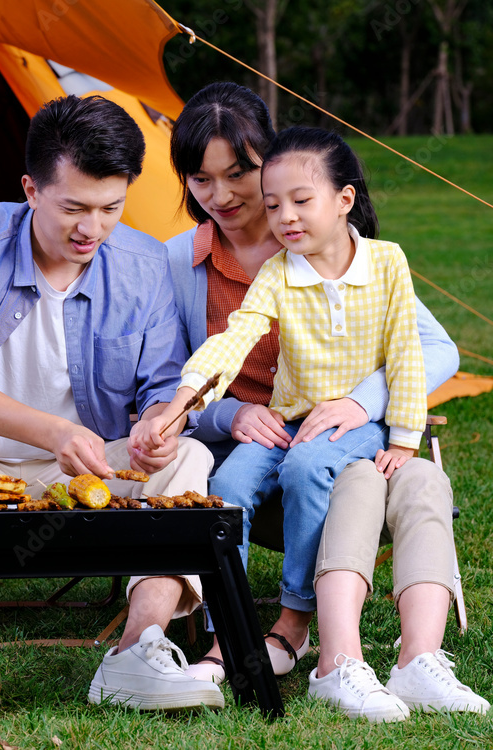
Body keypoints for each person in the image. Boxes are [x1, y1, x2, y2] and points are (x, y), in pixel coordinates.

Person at [0, 94, 223, 721]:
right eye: (74, 208)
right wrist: (54, 429)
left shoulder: (140, 264)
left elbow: (165, 383)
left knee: (189, 454)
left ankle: (137, 652)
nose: (92, 228)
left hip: (88, 471)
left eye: (111, 208)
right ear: (31, 189)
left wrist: (158, 423)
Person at [163, 83, 458, 684]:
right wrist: (222, 412)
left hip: (328, 445)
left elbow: (430, 347)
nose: (220, 194)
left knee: (307, 467)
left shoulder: (338, 248)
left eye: (239, 171)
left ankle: (292, 626)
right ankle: (230, 635)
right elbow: (188, 366)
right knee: (230, 483)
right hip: (240, 443)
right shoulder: (177, 262)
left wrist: (360, 402)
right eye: (200, 179)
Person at [310, 459, 490, 720]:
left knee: (424, 474)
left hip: (379, 455)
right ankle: (336, 665)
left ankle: (417, 663)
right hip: (310, 476)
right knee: (363, 476)